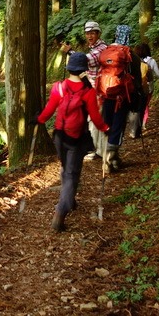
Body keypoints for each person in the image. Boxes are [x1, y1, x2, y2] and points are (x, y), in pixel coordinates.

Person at [32, 52, 110, 232]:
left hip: (59, 137)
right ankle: (60, 211)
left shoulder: (58, 87)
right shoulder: (88, 92)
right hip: (76, 138)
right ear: (84, 69)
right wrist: (106, 128)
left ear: (68, 69)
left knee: (67, 169)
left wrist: (38, 119)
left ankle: (71, 200)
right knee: (71, 174)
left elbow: (49, 110)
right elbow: (95, 118)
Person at [98, 25, 145, 170]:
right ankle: (111, 158)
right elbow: (137, 79)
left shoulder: (106, 52)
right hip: (122, 97)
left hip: (107, 94)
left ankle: (107, 153)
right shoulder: (130, 55)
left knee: (108, 124)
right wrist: (137, 98)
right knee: (118, 125)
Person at [61, 21, 108, 158]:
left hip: (99, 90)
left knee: (93, 119)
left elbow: (85, 61)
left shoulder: (101, 49)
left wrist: (70, 52)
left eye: (92, 33)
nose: (89, 36)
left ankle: (94, 150)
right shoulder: (96, 47)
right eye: (87, 33)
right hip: (96, 89)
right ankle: (97, 149)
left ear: (98, 33)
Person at [133, 43, 159, 130]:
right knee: (145, 105)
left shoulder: (134, 60)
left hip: (136, 86)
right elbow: (158, 74)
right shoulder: (151, 61)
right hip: (148, 86)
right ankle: (143, 123)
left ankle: (135, 123)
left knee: (137, 104)